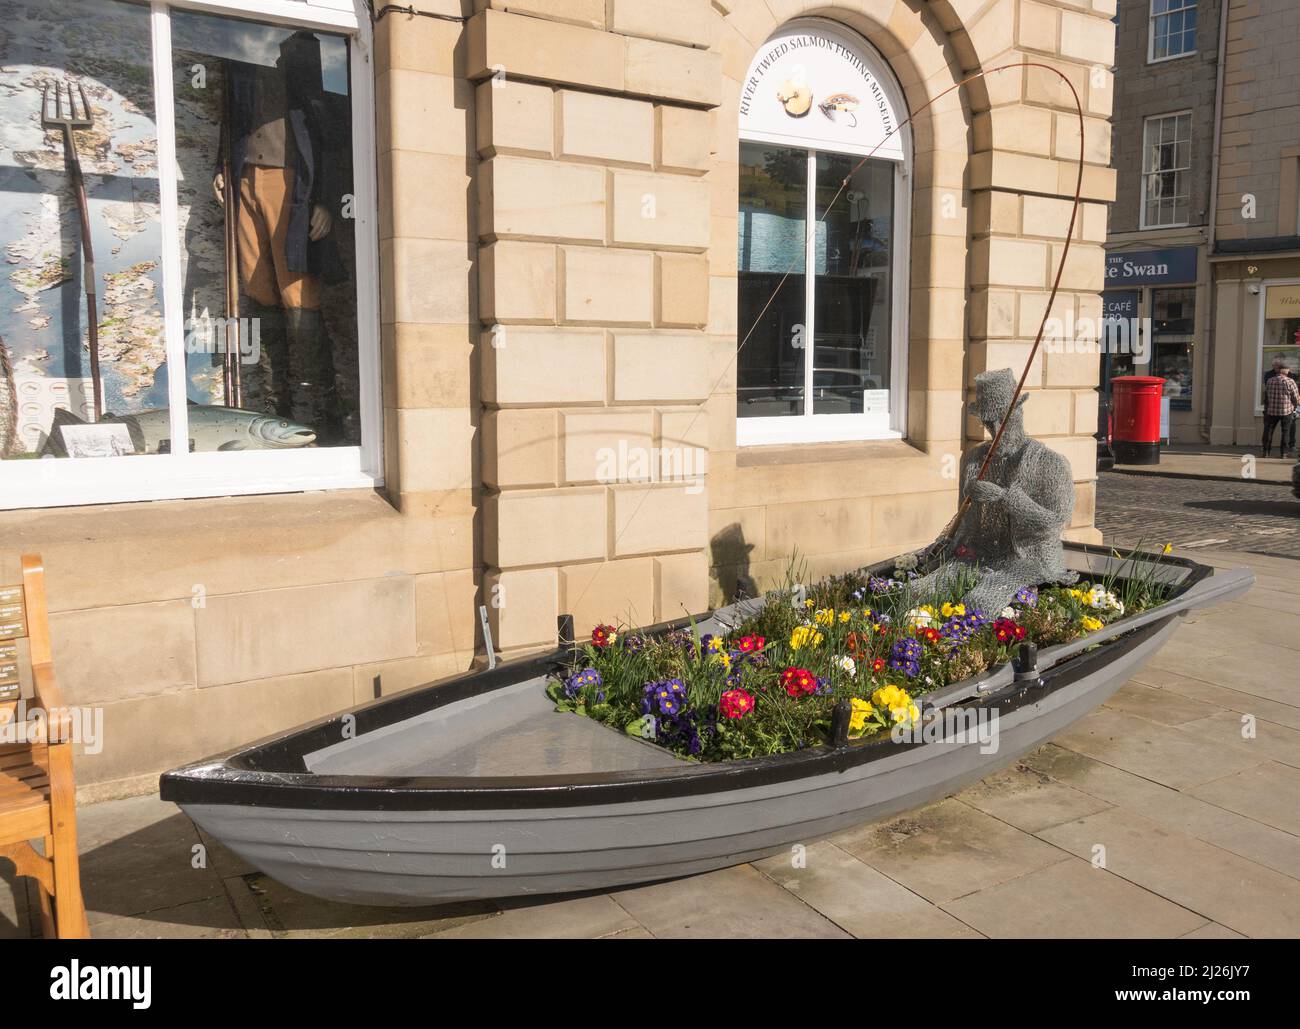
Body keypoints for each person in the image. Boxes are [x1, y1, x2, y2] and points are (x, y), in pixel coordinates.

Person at [1262, 362, 1299, 458]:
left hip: (1271, 410)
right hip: (1286, 411)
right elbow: (1296, 398)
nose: (1289, 371)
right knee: (1285, 432)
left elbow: (1266, 395)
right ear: (1285, 370)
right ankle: (1284, 453)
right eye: (1288, 370)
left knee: (1268, 431)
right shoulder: (1290, 381)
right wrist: (1294, 406)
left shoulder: (1270, 380)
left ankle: (1266, 452)